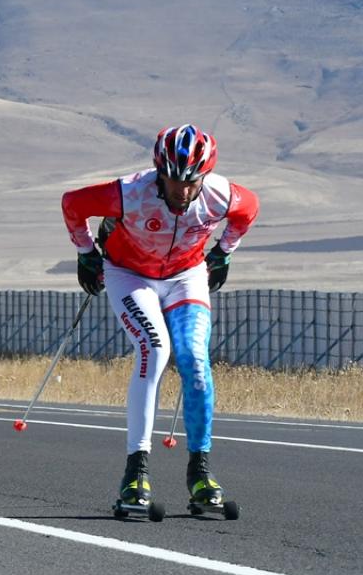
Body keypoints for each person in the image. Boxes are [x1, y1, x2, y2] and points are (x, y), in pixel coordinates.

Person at [60, 124, 259, 512]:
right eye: (172, 181)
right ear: (158, 173)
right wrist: (86, 252)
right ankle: (135, 473)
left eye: (191, 182)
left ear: (205, 176)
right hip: (130, 274)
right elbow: (73, 204)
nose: (180, 191)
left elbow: (248, 210)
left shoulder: (222, 195)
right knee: (154, 348)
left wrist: (224, 251)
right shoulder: (129, 192)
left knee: (195, 361)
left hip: (186, 276)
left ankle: (200, 473)